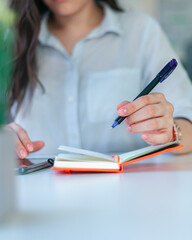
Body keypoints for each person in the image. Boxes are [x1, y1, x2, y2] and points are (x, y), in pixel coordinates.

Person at [7, 0, 192, 159]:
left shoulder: (142, 32)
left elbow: (189, 124)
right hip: (38, 195)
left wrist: (172, 131)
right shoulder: (9, 41)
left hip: (130, 192)